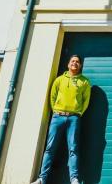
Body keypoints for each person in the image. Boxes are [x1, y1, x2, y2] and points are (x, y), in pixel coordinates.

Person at [31, 55, 91, 184]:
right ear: (68, 64)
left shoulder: (85, 82)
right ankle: (42, 179)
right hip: (57, 117)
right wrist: (56, 111)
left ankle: (74, 179)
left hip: (74, 118)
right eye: (72, 61)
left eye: (77, 62)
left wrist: (79, 113)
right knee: (50, 148)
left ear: (80, 65)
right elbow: (52, 96)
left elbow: (86, 100)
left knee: (73, 148)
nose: (75, 63)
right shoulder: (59, 80)